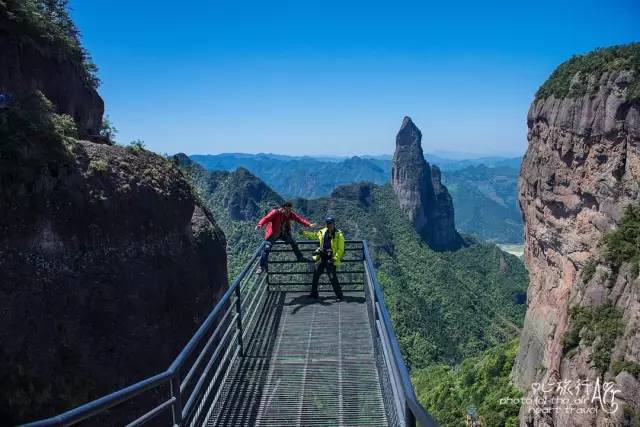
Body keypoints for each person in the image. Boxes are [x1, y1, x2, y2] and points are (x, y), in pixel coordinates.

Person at [255, 201, 315, 274]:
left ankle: (300, 257)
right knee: (266, 248)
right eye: (287, 210)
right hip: (273, 234)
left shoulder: (290, 214)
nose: (288, 212)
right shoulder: (275, 212)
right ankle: (261, 267)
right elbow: (266, 218)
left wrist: (309, 224)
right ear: (283, 209)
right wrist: (259, 224)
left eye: (290, 210)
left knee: (293, 242)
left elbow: (299, 219)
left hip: (282, 233)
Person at [300, 216, 344, 300]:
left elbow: (340, 249)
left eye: (330, 223)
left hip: (331, 260)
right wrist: (303, 233)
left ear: (334, 224)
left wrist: (335, 258)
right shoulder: (323, 232)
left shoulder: (339, 234)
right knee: (316, 275)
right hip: (322, 257)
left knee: (332, 277)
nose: (329, 225)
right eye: (327, 223)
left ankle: (339, 296)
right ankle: (314, 294)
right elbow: (314, 236)